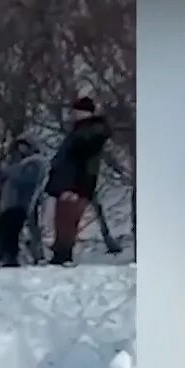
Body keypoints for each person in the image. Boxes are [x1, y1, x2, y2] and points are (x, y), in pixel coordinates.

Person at [44, 96, 113, 265]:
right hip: (68, 183)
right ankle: (60, 253)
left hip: (75, 184)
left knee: (67, 219)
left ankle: (63, 255)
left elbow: (82, 158)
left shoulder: (90, 131)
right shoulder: (81, 131)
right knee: (61, 220)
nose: (72, 115)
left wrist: (77, 186)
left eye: (75, 111)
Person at [0, 133, 50, 266]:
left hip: (22, 204)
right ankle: (10, 258)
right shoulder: (20, 163)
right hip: (11, 204)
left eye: (24, 146)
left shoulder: (35, 162)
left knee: (17, 233)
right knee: (9, 234)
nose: (21, 150)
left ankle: (30, 258)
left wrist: (7, 171)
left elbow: (25, 179)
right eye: (19, 147)